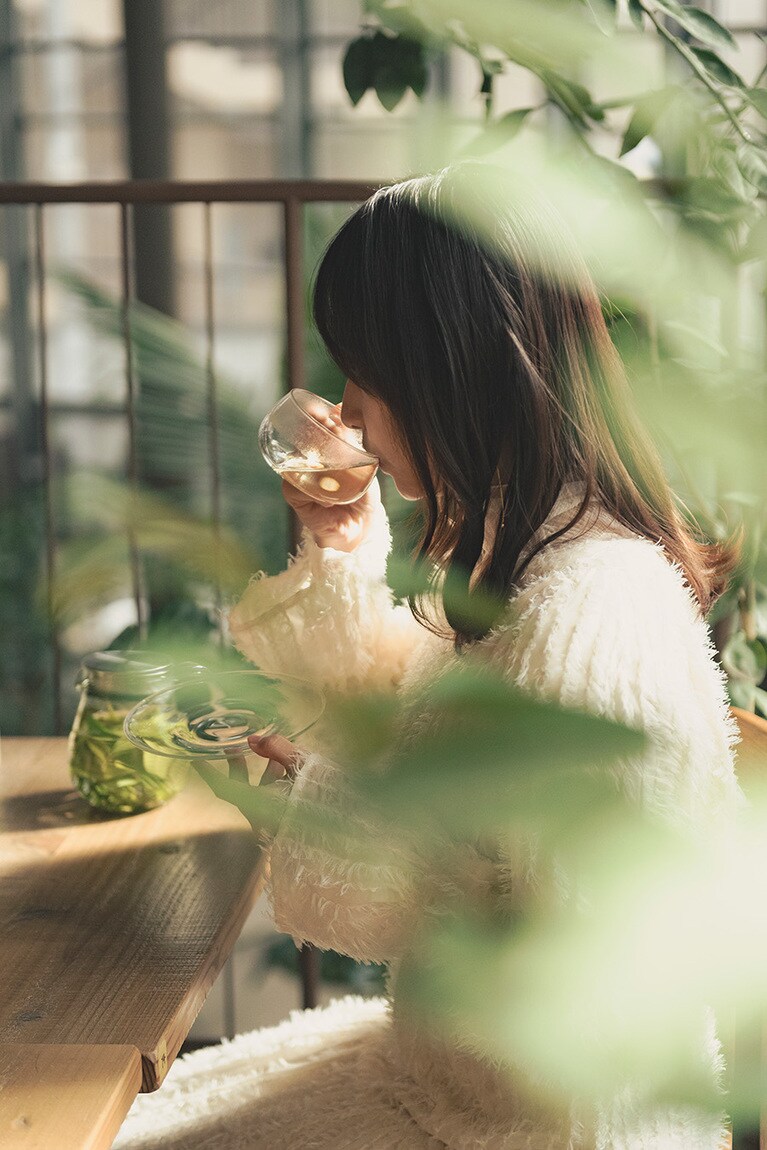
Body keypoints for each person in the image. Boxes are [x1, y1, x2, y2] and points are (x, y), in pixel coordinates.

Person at [114, 164, 742, 1149]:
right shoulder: (538, 560)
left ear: (451, 372)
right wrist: (343, 545)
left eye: (366, 372)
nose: (349, 410)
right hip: (445, 1079)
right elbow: (429, 734)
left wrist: (307, 790)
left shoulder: (589, 625)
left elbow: (590, 1005)